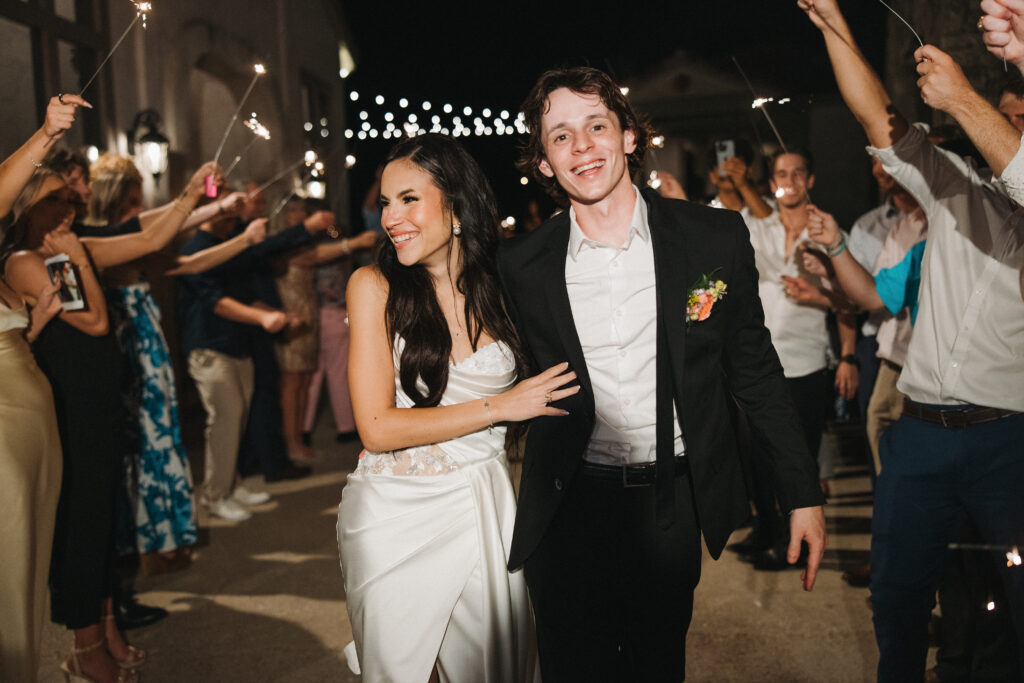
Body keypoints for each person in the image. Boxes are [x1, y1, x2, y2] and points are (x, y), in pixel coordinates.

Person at [496, 66, 825, 681]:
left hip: (668, 505)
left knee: (657, 666)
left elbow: (754, 372)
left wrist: (801, 493)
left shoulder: (712, 239)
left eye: (597, 126)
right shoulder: (521, 263)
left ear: (628, 137)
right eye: (560, 136)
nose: (582, 146)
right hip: (567, 506)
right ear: (542, 162)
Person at [800, 1, 1024, 679]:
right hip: (920, 432)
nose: (1006, 129)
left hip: (1009, 442)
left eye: (1016, 120)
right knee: (896, 599)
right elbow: (879, 120)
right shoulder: (956, 189)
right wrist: (831, 18)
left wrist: (963, 95)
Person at [338, 133, 575, 682]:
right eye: (385, 203)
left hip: (486, 502)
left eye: (408, 199)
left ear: (458, 204)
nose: (391, 218)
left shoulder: (504, 287)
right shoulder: (372, 286)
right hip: (395, 513)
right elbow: (375, 427)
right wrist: (501, 405)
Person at [178, 202, 329, 521]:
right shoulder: (196, 249)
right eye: (229, 210)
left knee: (239, 417)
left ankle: (232, 483)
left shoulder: (227, 242)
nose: (236, 217)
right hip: (209, 344)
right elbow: (216, 302)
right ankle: (215, 494)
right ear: (211, 212)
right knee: (224, 418)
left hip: (238, 343)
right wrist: (262, 317)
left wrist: (273, 314)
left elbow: (259, 261)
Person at [0, 93, 77, 683]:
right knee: (9, 556)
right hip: (2, 427)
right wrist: (46, 135)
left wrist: (41, 316)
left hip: (34, 414)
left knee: (31, 557)